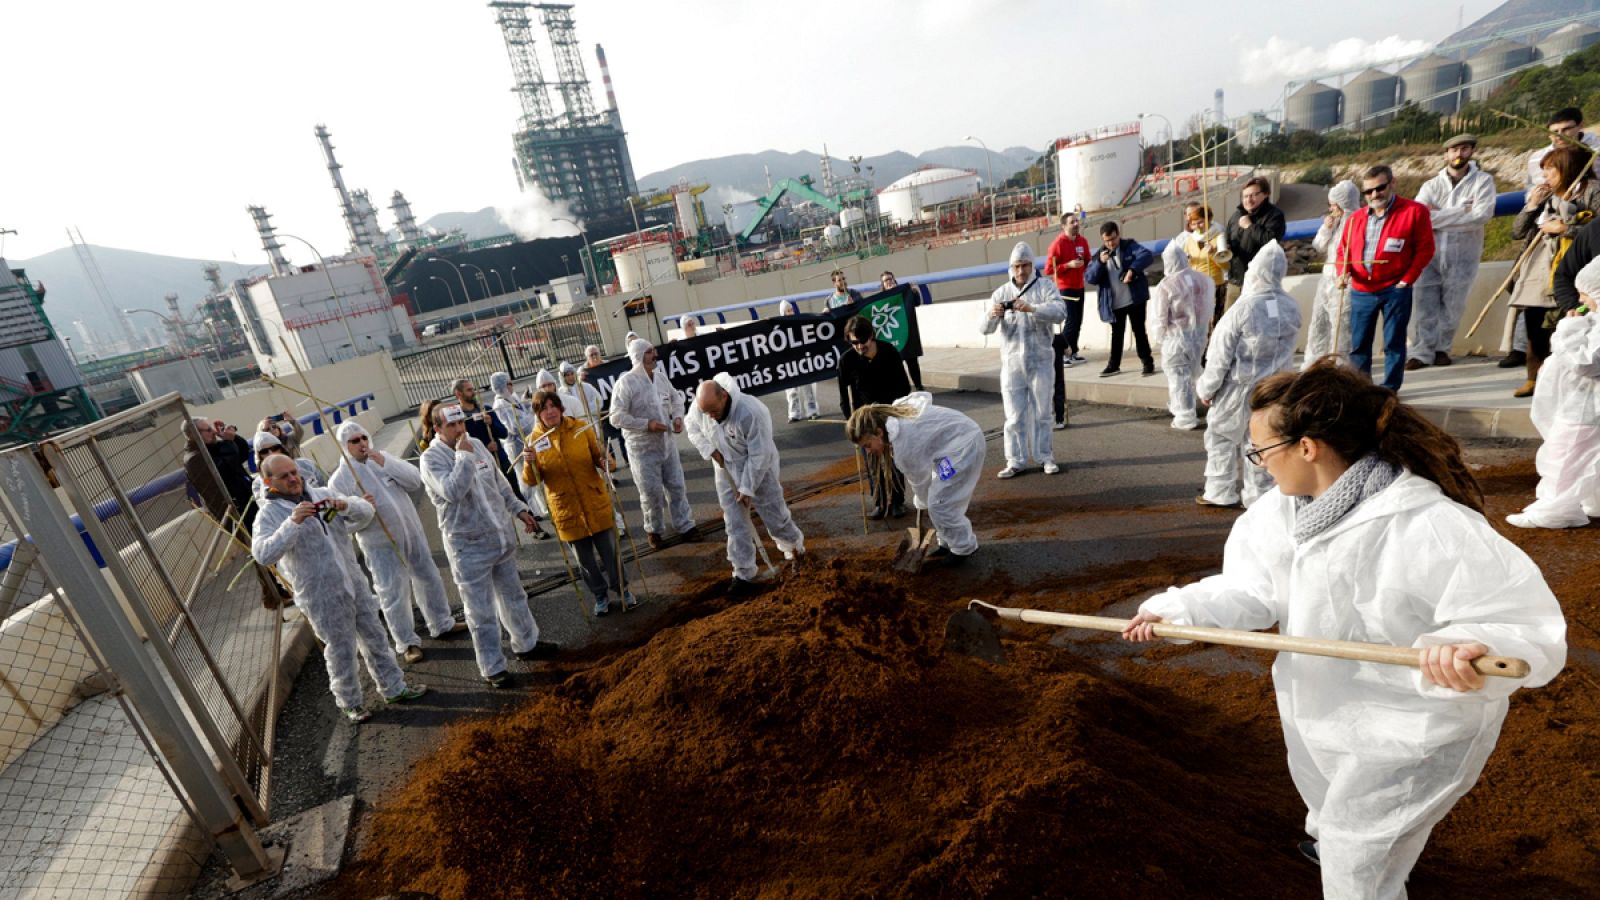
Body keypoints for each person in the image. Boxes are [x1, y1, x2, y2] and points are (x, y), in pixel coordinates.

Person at [1122, 360, 1566, 899]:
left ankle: (1351, 861)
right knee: (1331, 813)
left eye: (1261, 451)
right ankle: (1332, 838)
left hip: (1414, 728)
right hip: (1323, 710)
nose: (1259, 466)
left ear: (1308, 447)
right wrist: (1180, 611)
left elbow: (1521, 620)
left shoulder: (1427, 525)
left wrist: (1473, 648)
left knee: (1357, 865)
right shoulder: (1278, 514)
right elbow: (1253, 588)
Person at [252, 454, 428, 723]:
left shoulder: (320, 493)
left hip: (353, 582)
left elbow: (365, 511)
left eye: (294, 472)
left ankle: (394, 688)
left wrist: (343, 504)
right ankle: (351, 703)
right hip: (320, 594)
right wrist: (292, 523)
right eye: (284, 476)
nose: (292, 478)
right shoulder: (270, 514)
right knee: (340, 650)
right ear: (268, 482)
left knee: (376, 637)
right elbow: (263, 554)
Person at [420, 402, 557, 687]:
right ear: (437, 429)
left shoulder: (476, 445)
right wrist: (463, 457)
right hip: (468, 547)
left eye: (461, 424)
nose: (460, 430)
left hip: (498, 539)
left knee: (514, 596)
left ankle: (526, 643)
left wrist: (520, 510)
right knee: (481, 612)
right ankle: (493, 668)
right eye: (452, 426)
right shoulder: (432, 459)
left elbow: (500, 484)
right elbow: (453, 491)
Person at [330, 421, 464, 662]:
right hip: (380, 545)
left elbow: (414, 481)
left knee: (429, 577)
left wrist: (385, 461)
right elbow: (341, 525)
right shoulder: (340, 480)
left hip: (412, 534)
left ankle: (441, 622)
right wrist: (364, 511)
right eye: (354, 441)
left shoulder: (382, 460)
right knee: (393, 592)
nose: (361, 444)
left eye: (363, 438)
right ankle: (406, 642)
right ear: (344, 446)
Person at [1196, 242, 1302, 508]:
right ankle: (1259, 499)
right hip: (1275, 390)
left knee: (1221, 438)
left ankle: (1219, 491)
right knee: (1261, 444)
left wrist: (1207, 389)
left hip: (1237, 388)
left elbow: (1219, 356)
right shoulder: (1290, 305)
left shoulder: (1241, 310)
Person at [520, 390, 636, 615]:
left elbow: (600, 458)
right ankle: (600, 596)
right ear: (538, 414)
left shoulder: (581, 428)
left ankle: (623, 590)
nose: (550, 411)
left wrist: (605, 461)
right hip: (566, 510)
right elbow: (531, 480)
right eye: (544, 408)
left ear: (561, 408)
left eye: (553, 406)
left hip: (594, 500)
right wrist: (528, 463)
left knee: (611, 552)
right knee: (585, 561)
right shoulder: (534, 441)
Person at [691, 376, 808, 595]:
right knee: (734, 523)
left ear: (724, 396)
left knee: (775, 517)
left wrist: (747, 488)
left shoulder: (751, 412)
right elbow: (692, 427)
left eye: (713, 411)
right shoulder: (702, 406)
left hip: (758, 468)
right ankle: (743, 572)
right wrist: (709, 449)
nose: (710, 417)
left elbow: (759, 455)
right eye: (706, 412)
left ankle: (796, 552)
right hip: (725, 469)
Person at [1508, 257, 1600, 528]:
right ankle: (1591, 500)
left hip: (1588, 404)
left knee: (1565, 451)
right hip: (1587, 400)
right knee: (1587, 453)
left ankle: (1554, 509)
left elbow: (1586, 362)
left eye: (1585, 293)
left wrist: (1569, 330)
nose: (1580, 299)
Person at [846, 392, 985, 564]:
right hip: (948, 447)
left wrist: (922, 501)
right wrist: (924, 500)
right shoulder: (892, 418)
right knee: (937, 501)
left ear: (879, 432)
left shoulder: (904, 444)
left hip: (963, 447)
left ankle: (963, 549)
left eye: (867, 445)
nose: (868, 451)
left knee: (939, 503)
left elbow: (920, 480)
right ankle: (946, 543)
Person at [1335, 165, 1436, 392]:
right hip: (1361, 290)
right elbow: (1344, 251)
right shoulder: (1355, 219)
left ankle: (1390, 389)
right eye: (1368, 192)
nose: (1374, 195)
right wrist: (1343, 272)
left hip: (1395, 289)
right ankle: (1363, 390)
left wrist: (1406, 280)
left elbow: (1425, 249)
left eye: (1379, 188)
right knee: (1359, 345)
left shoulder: (1414, 211)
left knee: (1393, 343)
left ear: (1392, 184)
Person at [1510, 145, 1600, 398]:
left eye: (1551, 170)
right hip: (1540, 270)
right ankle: (1534, 377)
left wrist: (1565, 230)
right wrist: (1532, 205)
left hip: (1577, 269)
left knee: (1569, 326)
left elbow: (1595, 231)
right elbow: (1517, 232)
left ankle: (1566, 382)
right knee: (1535, 324)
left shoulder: (1593, 192)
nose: (1546, 177)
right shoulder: (1546, 197)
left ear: (1568, 168)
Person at [1407, 134, 1496, 371]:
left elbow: (1482, 215)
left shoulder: (1483, 182)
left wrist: (1438, 215)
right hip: (1430, 253)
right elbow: (1420, 217)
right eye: (1454, 150)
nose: (1459, 154)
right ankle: (1421, 351)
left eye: (1464, 149)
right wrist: (1462, 211)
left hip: (1463, 254)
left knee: (1453, 304)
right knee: (1425, 303)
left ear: (1471, 152)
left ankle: (1441, 349)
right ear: (1445, 154)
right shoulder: (1431, 185)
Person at [982, 241, 1066, 477]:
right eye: (1017, 266)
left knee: (1043, 412)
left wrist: (1032, 308)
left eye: (1026, 265)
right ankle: (1015, 460)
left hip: (1040, 362)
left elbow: (1060, 312)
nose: (1021, 271)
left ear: (1032, 265)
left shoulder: (1045, 287)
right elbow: (984, 329)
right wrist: (993, 315)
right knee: (1014, 416)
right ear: (1011, 267)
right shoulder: (1001, 293)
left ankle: (1045, 456)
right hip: (1012, 365)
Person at [609, 338, 701, 549]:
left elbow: (677, 399)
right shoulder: (626, 383)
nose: (655, 355)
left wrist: (678, 417)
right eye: (649, 352)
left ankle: (685, 525)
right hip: (642, 450)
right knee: (651, 493)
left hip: (667, 445)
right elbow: (615, 417)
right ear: (638, 357)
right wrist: (646, 424)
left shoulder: (660, 378)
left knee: (677, 486)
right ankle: (654, 530)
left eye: (653, 351)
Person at [838, 315, 913, 518]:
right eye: (854, 342)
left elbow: (904, 387)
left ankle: (897, 501)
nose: (859, 346)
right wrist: (853, 425)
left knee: (895, 459)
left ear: (871, 336)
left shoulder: (889, 352)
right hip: (865, 422)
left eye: (863, 341)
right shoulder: (846, 361)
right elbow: (845, 398)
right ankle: (879, 502)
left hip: (890, 415)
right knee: (872, 462)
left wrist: (899, 414)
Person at [1149, 240, 1216, 430]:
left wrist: (1161, 337)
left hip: (1176, 339)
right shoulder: (1203, 279)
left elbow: (1159, 317)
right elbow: (1208, 307)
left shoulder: (1166, 285)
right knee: (1196, 372)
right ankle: (1206, 405)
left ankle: (1185, 416)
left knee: (1179, 377)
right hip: (1199, 336)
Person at [1302, 181, 1362, 368]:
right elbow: (1319, 246)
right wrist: (1326, 228)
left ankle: (1340, 365)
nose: (1330, 208)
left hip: (1345, 280)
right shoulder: (1333, 222)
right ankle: (1313, 362)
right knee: (1318, 322)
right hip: (1326, 279)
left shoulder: (1358, 221)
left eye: (1333, 204)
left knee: (1340, 326)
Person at [1084, 221, 1155, 378]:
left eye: (1113, 239)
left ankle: (1147, 362)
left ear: (1118, 234)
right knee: (1117, 335)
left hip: (1134, 299)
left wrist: (1132, 270)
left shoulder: (1129, 245)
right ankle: (1113, 365)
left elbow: (1146, 255)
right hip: (1114, 303)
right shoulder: (1099, 256)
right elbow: (1090, 277)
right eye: (1107, 240)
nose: (1111, 243)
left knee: (1139, 331)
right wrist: (1100, 263)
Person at [1043, 214, 1091, 426]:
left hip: (1079, 285)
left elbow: (1088, 258)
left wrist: (1082, 264)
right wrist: (1068, 265)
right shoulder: (1057, 245)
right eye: (1072, 222)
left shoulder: (1082, 241)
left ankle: (1075, 350)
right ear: (1063, 226)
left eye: (1076, 221)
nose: (1075, 224)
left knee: (1078, 320)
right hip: (1065, 287)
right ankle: (1065, 352)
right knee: (1070, 320)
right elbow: (1049, 269)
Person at [1224, 176, 1288, 309]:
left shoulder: (1275, 215)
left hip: (1261, 284)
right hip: (1235, 282)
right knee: (1230, 325)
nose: (1248, 200)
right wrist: (1224, 248)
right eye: (1245, 196)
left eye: (1253, 195)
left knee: (1259, 324)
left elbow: (1271, 242)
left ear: (1265, 194)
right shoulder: (1236, 216)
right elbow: (1228, 240)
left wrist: (1250, 226)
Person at [452, 377, 519, 498]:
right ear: (458, 394)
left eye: (473, 389)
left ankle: (529, 514)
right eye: (469, 390)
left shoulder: (485, 409)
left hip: (500, 458)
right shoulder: (458, 418)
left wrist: (491, 423)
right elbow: (459, 445)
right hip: (480, 464)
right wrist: (486, 448)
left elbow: (504, 433)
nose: (473, 393)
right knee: (493, 497)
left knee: (514, 489)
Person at [185, 416, 255, 530]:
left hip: (247, 503)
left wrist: (233, 438)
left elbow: (241, 454)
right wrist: (228, 442)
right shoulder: (194, 459)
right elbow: (227, 469)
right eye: (208, 430)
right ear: (193, 435)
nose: (213, 432)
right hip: (237, 514)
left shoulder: (209, 447)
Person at [1181, 203, 1229, 327]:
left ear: (1209, 219)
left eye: (1200, 222)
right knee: (1200, 323)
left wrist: (1214, 254)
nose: (1197, 226)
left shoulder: (1217, 237)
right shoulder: (1190, 240)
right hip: (1197, 287)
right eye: (1193, 223)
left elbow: (1226, 266)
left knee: (1215, 322)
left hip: (1214, 285)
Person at [878, 271, 925, 391]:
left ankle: (919, 386)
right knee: (897, 366)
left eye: (890, 279)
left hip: (906, 333)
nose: (889, 282)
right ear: (882, 284)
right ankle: (904, 390)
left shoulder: (903, 293)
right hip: (892, 337)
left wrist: (914, 292)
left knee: (912, 361)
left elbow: (916, 303)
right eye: (886, 280)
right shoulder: (880, 299)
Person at [583, 343, 628, 467]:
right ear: (587, 357)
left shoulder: (608, 366)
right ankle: (612, 464)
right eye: (591, 355)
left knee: (621, 434)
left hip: (614, 408)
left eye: (596, 353)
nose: (594, 356)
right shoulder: (583, 373)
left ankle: (628, 459)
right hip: (599, 412)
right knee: (604, 438)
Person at [777, 299, 820, 421]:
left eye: (791, 310)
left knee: (808, 387)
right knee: (792, 390)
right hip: (789, 362)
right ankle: (794, 413)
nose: (790, 313)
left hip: (802, 360)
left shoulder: (798, 323)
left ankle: (812, 410)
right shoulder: (779, 328)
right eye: (787, 311)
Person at [489, 371, 535, 465]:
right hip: (517, 446)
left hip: (526, 441)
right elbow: (516, 427)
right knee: (524, 475)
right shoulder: (501, 404)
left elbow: (521, 411)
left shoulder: (510, 397)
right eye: (509, 383)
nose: (512, 385)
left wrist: (526, 401)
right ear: (503, 387)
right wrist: (531, 414)